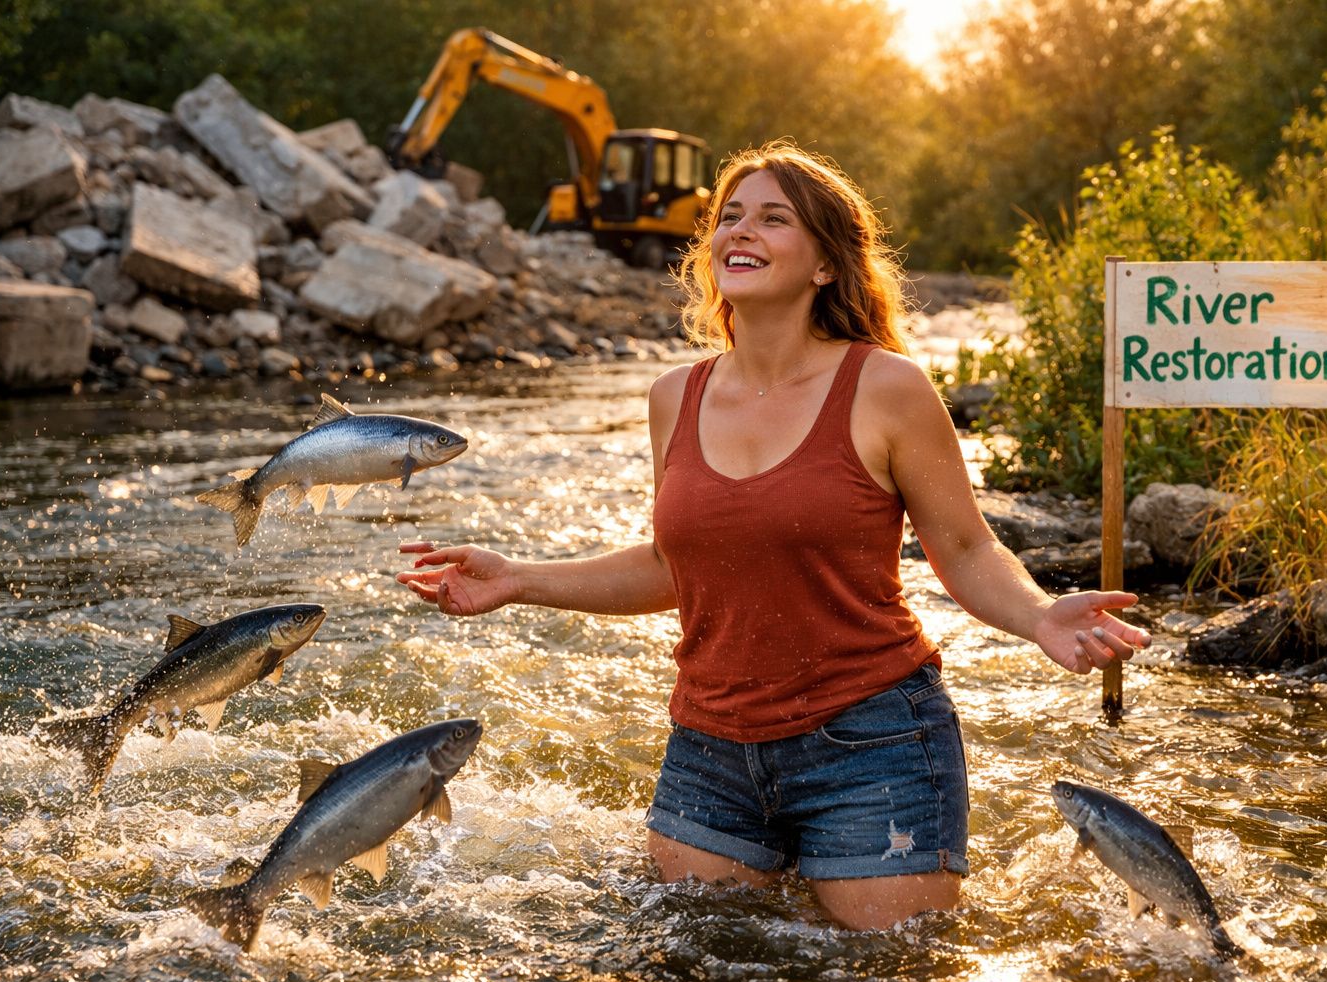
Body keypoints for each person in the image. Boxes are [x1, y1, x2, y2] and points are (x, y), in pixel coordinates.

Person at [394, 142, 1151, 930]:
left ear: (826, 263)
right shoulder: (671, 397)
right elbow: (673, 567)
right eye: (729, 217)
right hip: (710, 748)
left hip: (874, 744)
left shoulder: (887, 388)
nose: (739, 231)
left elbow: (963, 548)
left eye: (773, 218)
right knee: (703, 977)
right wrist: (520, 578)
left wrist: (1036, 616)